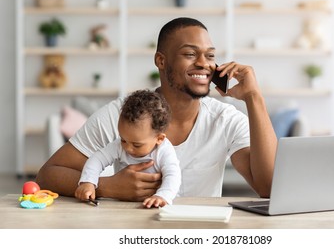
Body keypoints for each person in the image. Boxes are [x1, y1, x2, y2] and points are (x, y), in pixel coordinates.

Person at [36, 17, 277, 201]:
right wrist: (105, 186)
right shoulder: (121, 115)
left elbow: (267, 188)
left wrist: (254, 98)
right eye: (190, 54)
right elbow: (48, 174)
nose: (204, 63)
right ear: (161, 61)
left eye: (210, 55)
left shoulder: (226, 120)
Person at [75, 90, 181, 208]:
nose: (128, 148)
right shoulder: (119, 146)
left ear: (159, 139)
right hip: (123, 206)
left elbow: (173, 176)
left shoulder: (164, 151)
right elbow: (97, 159)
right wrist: (88, 182)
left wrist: (162, 196)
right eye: (123, 139)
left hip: (155, 207)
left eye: (137, 145)